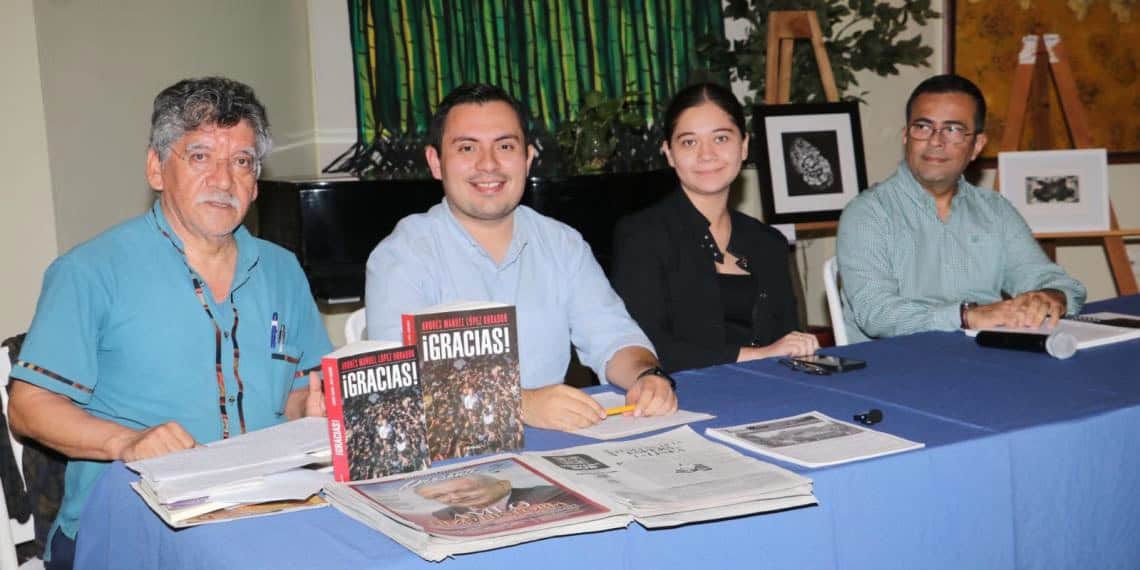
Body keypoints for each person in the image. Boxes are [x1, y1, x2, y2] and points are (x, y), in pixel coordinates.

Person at [7, 77, 333, 567]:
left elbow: (291, 399)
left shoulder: (283, 270)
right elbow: (28, 408)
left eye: (241, 161)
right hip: (133, 524)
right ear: (156, 168)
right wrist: (127, 441)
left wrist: (308, 413)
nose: (224, 180)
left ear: (256, 181)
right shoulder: (90, 272)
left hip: (269, 509)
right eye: (200, 157)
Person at [365, 84, 677, 432]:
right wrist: (519, 403)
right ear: (435, 162)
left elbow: (613, 336)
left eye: (505, 146)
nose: (489, 164)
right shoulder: (402, 255)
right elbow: (393, 385)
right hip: (451, 458)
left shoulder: (562, 244)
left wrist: (647, 375)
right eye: (467, 148)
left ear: (528, 158)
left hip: (555, 445)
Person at [836, 74, 1086, 342]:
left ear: (977, 145)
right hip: (896, 366)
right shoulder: (868, 213)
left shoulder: (995, 210)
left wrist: (1049, 298)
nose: (935, 141)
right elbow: (877, 314)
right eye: (923, 127)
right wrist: (967, 316)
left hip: (986, 358)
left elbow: (1055, 282)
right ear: (906, 136)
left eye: (953, 130)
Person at [611, 83, 818, 372]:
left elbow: (788, 340)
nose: (706, 154)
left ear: (744, 146)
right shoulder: (642, 236)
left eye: (721, 138)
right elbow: (642, 349)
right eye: (689, 142)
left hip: (772, 392)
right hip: (681, 399)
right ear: (668, 153)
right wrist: (761, 354)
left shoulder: (768, 241)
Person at [413, 474, 570, 521]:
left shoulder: (547, 495)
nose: (453, 498)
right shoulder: (442, 517)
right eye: (440, 495)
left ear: (503, 485)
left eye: (466, 489)